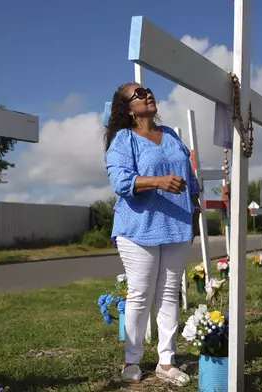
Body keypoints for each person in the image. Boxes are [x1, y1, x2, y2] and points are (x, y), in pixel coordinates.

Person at [104, 82, 201, 386]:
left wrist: (195, 213)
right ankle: (132, 360)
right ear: (127, 107)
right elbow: (121, 182)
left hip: (177, 225)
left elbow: (191, 179)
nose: (148, 94)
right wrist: (158, 181)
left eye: (148, 90)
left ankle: (167, 361)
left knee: (170, 293)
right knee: (140, 294)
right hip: (137, 228)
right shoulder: (124, 139)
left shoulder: (171, 135)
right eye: (139, 94)